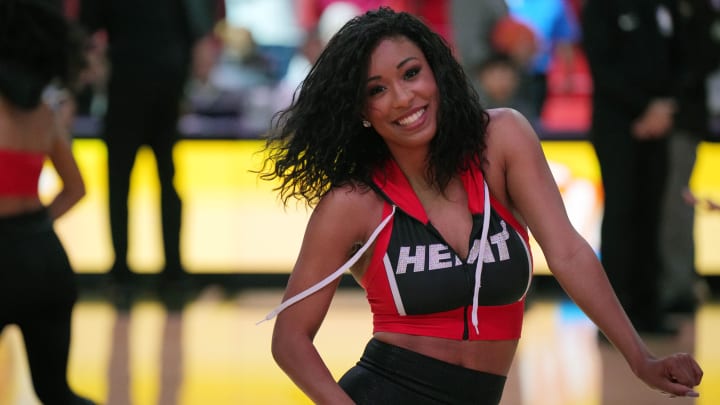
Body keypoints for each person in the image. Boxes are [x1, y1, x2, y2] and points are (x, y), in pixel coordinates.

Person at [257, 7, 703, 404]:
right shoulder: (354, 202)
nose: (403, 98)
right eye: (376, 89)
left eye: (411, 73)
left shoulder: (503, 140)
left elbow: (567, 252)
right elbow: (290, 339)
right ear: (360, 110)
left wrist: (640, 359)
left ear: (438, 72)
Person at [77, 0, 222, 304]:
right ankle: (154, 274)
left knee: (132, 186)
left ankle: (138, 275)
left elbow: (86, 33)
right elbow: (196, 35)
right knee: (147, 185)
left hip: (141, 91)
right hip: (148, 90)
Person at [0, 1, 96, 403]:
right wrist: (36, 227)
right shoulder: (44, 115)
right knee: (57, 392)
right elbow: (75, 188)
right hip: (45, 259)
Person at [581, 0, 679, 334]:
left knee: (652, 215)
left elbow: (678, 56)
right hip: (616, 126)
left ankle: (649, 310)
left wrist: (665, 107)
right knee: (621, 213)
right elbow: (602, 67)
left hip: (661, 123)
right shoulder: (600, 8)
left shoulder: (661, 6)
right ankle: (616, 317)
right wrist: (646, 107)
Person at [658, 0, 720, 314]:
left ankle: (677, 285)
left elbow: (701, 58)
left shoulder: (699, 13)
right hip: (671, 118)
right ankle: (674, 283)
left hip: (682, 119)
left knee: (676, 205)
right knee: (673, 204)